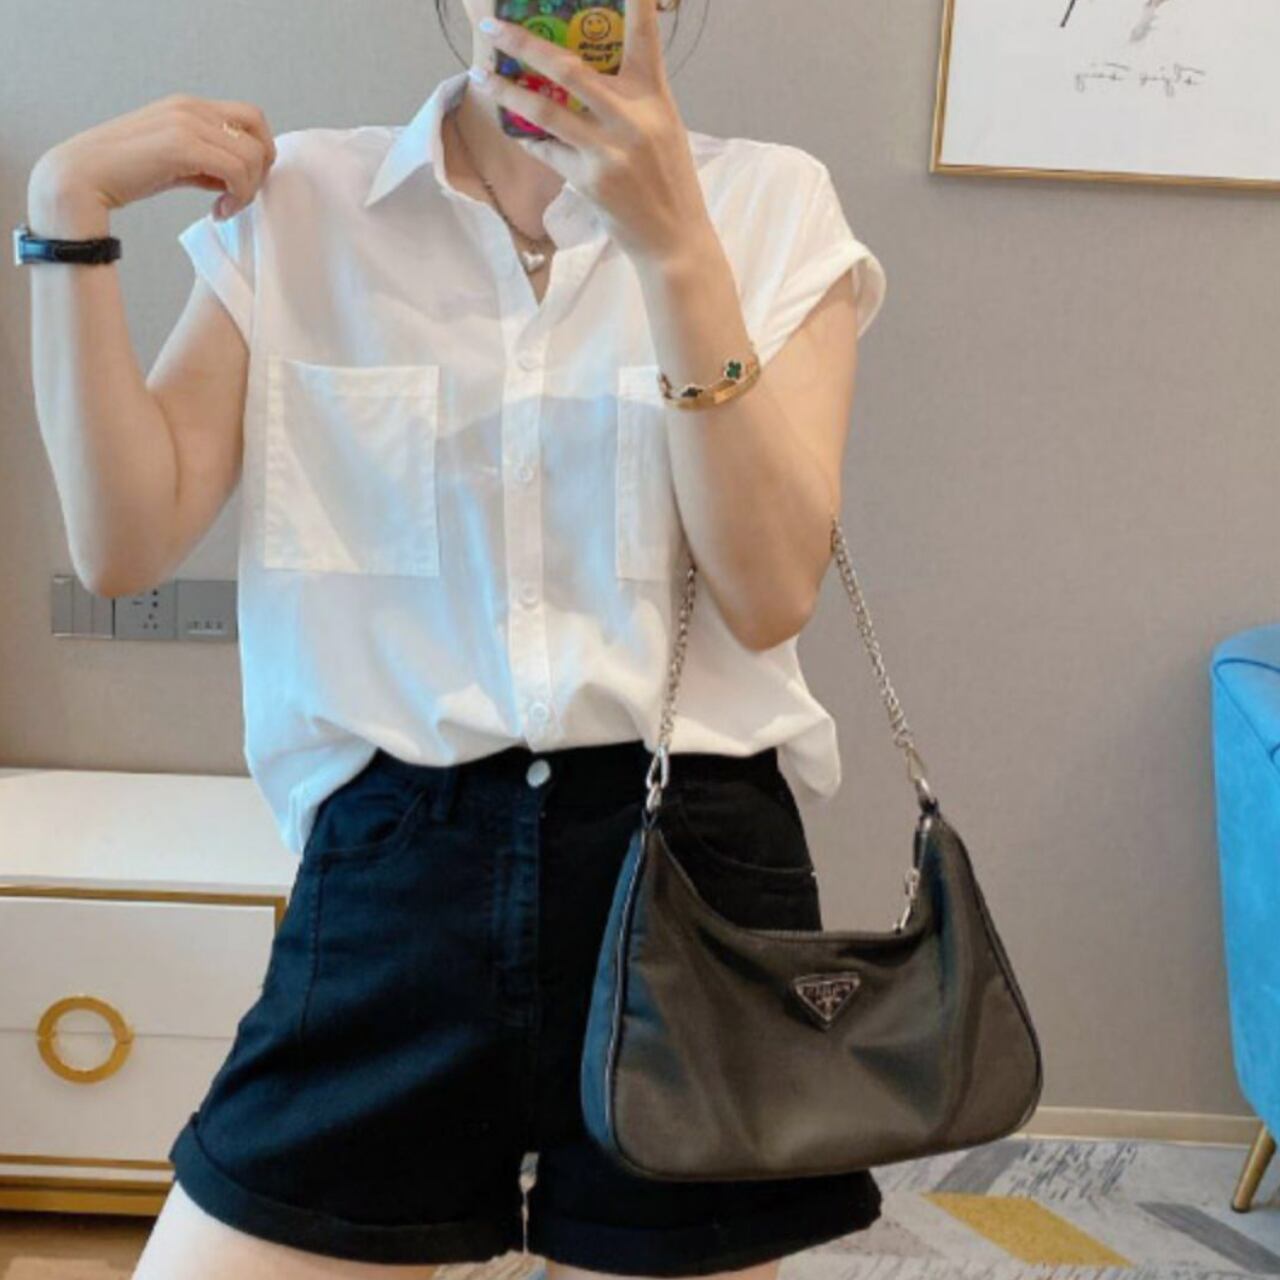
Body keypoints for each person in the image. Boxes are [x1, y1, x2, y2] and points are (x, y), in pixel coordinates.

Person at [23, 0, 888, 1275]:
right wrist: (66, 212)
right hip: (393, 877)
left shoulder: (768, 206)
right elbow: (123, 545)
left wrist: (672, 244)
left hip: (688, 876)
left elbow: (766, 593)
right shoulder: (306, 203)